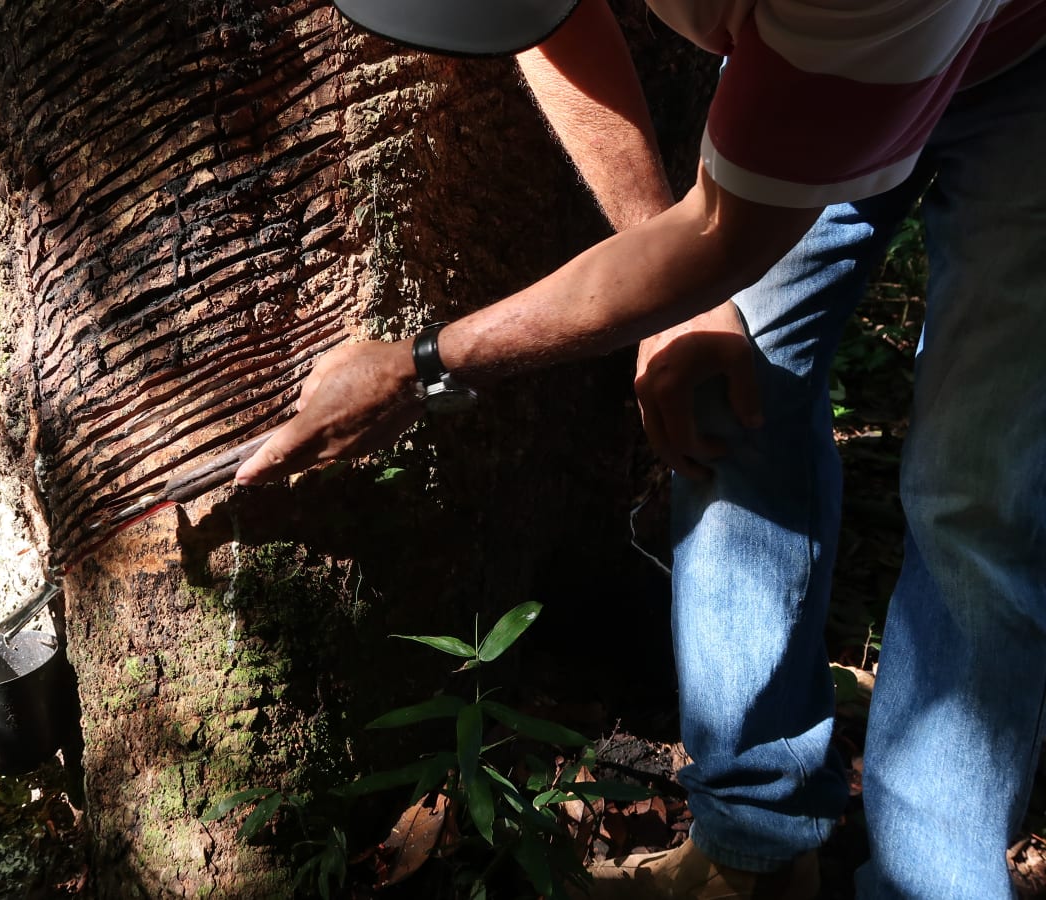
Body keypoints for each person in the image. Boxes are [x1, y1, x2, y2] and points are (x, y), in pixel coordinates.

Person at [235, 0, 1046, 897]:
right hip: (829, 58)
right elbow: (545, 14)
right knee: (725, 383)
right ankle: (755, 853)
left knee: (980, 496)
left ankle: (933, 880)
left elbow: (721, 239)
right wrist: (678, 297)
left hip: (1019, 69)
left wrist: (419, 367)